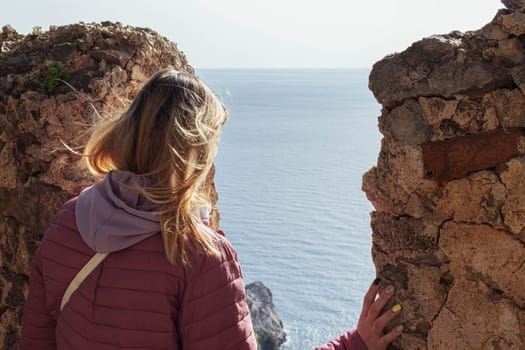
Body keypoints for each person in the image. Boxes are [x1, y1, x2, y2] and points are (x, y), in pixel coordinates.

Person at [20, 69, 401, 350]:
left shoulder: (68, 223)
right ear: (195, 153)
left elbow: (36, 341)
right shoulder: (199, 254)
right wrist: (354, 344)